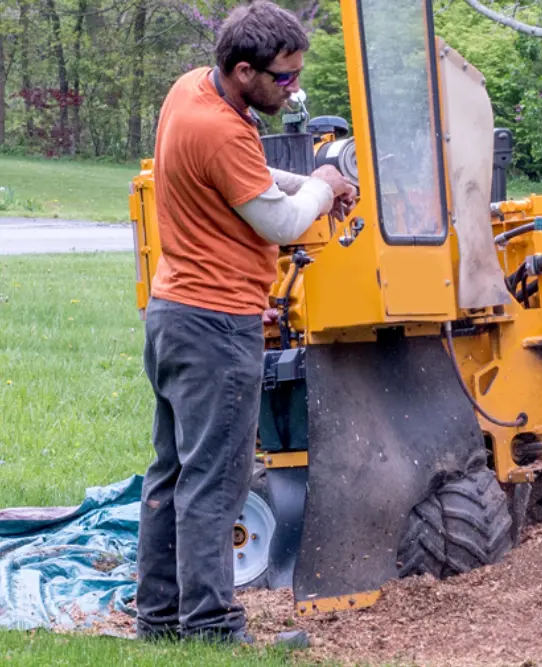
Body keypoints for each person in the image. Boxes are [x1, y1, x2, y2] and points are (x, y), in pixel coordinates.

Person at [135, 0, 356, 644]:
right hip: (214, 329)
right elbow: (281, 223)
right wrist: (320, 184)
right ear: (241, 70)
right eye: (282, 79)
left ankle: (160, 619)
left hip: (173, 313)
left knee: (171, 473)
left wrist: (314, 183)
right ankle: (210, 628)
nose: (292, 90)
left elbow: (247, 180)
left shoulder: (190, 94)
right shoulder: (223, 131)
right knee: (215, 483)